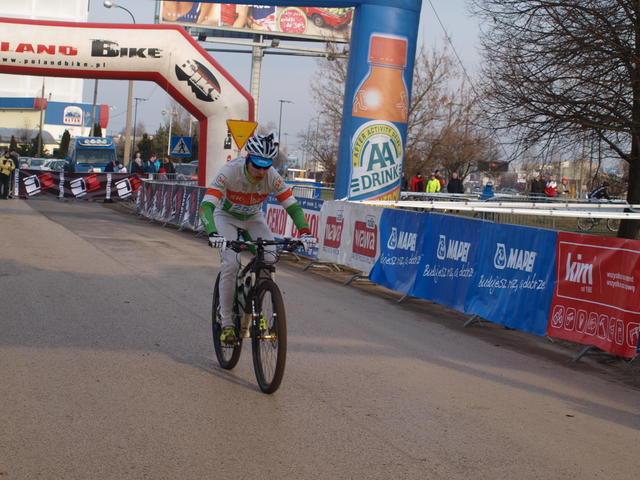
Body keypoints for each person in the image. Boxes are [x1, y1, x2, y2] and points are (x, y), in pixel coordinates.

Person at [199, 132, 317, 344]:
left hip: (253, 218)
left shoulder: (272, 176)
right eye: (257, 166)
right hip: (226, 217)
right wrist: (213, 233)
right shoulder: (230, 171)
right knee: (231, 264)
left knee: (270, 258)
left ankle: (257, 310)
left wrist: (305, 232)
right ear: (248, 160)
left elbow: (293, 208)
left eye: (266, 166)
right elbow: (206, 205)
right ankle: (227, 323)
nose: (262, 172)